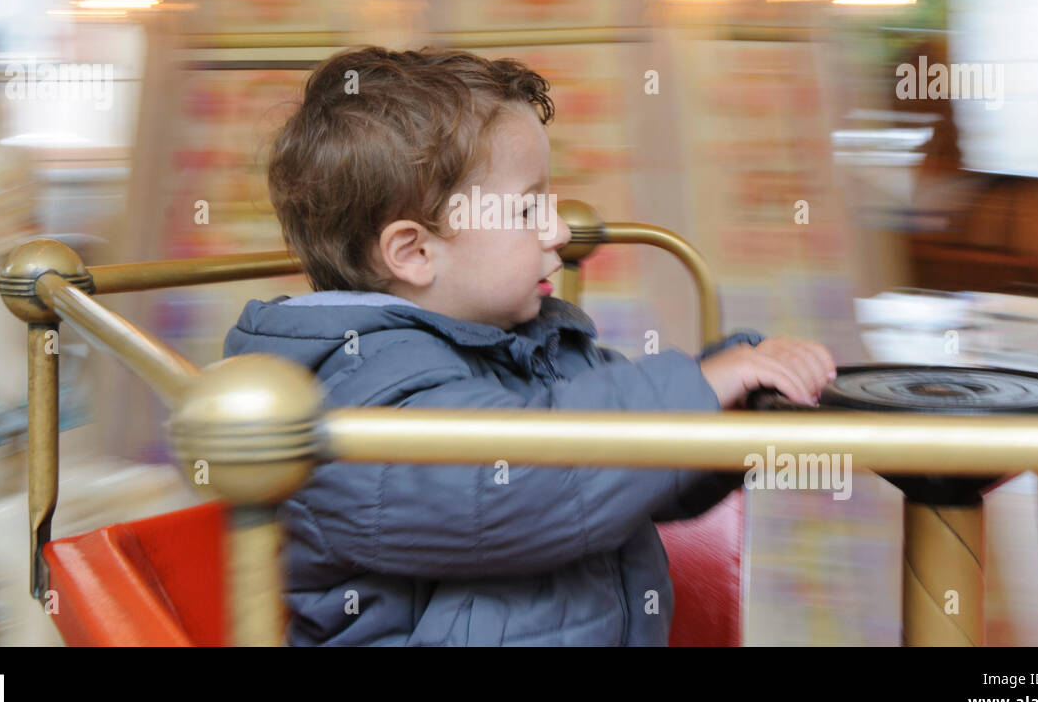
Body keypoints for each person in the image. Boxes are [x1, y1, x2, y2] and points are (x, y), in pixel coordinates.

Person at [224, 46, 836, 645]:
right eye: (527, 209)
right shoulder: (357, 389)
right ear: (414, 252)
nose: (561, 230)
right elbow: (517, 487)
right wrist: (696, 389)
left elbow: (631, 477)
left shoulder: (530, 343)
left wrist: (731, 404)